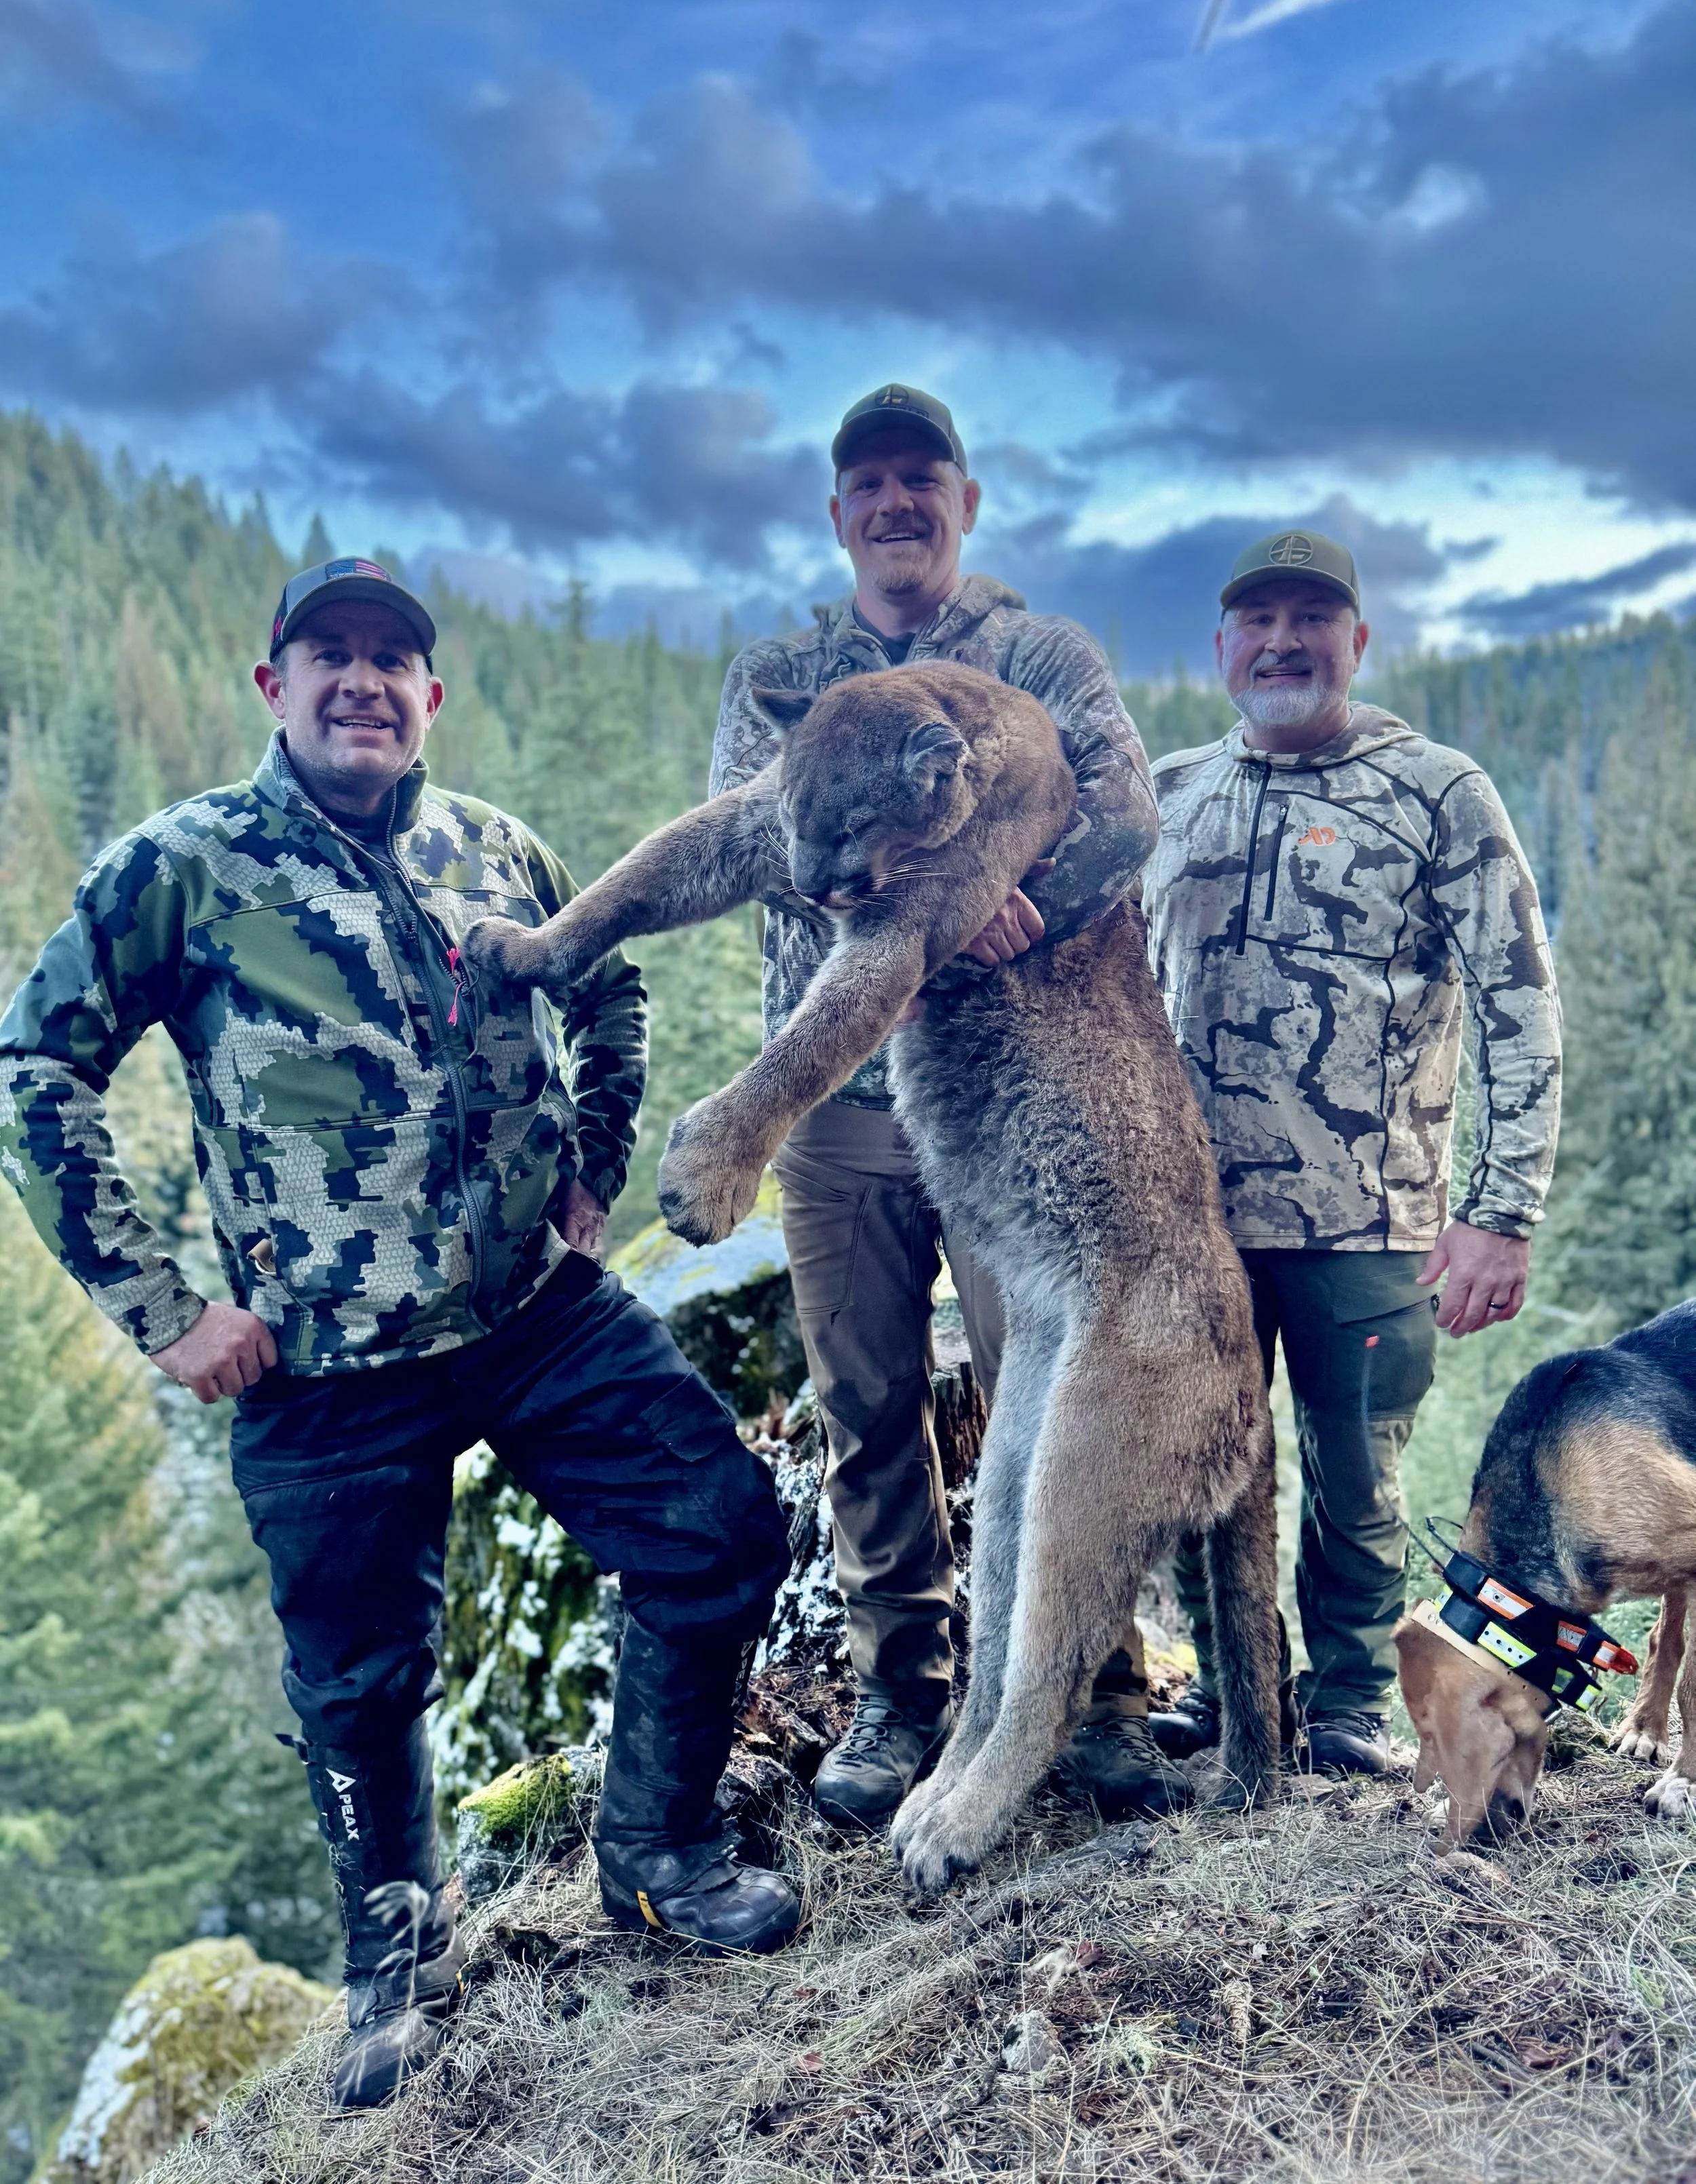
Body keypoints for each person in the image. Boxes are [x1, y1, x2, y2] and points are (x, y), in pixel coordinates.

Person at [0, 558, 798, 2109]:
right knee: (359, 1683)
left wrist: (590, 1161)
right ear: (273, 686)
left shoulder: (492, 846)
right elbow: (34, 1067)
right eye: (330, 655)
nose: (362, 681)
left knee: (716, 1525)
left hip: (527, 1311)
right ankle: (397, 1957)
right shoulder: (185, 867)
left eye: (392, 660)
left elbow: (607, 992)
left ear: (430, 694)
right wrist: (165, 1310)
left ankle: (656, 1853)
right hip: (320, 1364)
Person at [710, 383, 1189, 1829]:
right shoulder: (779, 678)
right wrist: (906, 891)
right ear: (836, 512)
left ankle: (1092, 1692)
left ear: (963, 502)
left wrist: (1014, 907)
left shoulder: (1039, 654)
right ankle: (901, 1689)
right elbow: (754, 835)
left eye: (923, 477)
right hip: (843, 1101)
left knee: (1044, 1389)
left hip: (1010, 1098)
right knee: (863, 1403)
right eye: (868, 481)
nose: (896, 501)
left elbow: (1125, 814)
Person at [1141, 527, 1562, 1776]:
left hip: (1368, 1223)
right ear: (1222, 645)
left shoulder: (1437, 792)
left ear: (1356, 640)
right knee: (1192, 1473)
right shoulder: (1165, 796)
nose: (1284, 640)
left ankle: (1339, 1709)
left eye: (1312, 618)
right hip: (1183, 1224)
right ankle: (1236, 1699)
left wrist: (1502, 1207)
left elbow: (1517, 1002)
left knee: (1358, 1486)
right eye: (1258, 618)